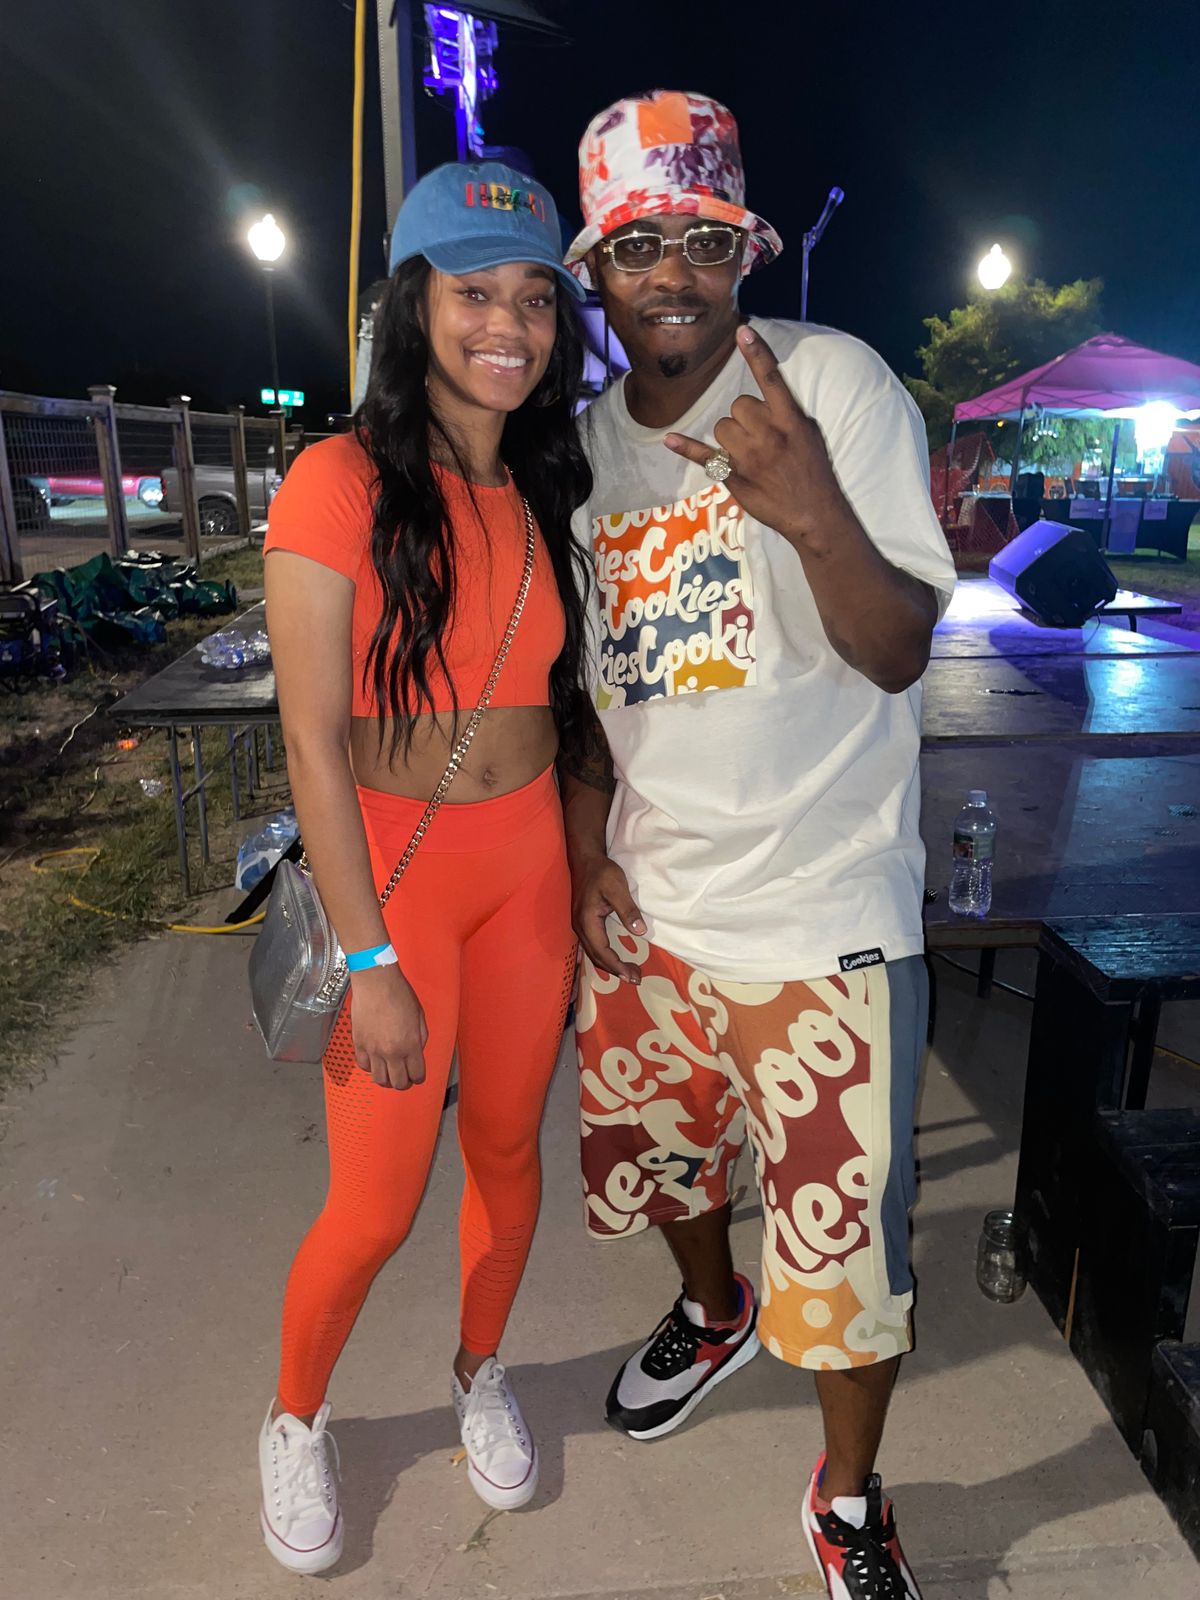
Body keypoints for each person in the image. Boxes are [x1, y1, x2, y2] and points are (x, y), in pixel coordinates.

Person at [558, 92, 956, 1600]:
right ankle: (713, 1311)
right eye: (638, 244)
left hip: (821, 915)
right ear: (599, 272)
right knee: (665, 1167)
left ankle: (847, 1497)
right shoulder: (584, 455)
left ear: (744, 253)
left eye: (703, 241)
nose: (672, 272)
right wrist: (591, 852)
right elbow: (588, 697)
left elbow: (901, 651)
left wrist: (810, 513)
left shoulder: (833, 385)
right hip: (651, 910)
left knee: (851, 1273)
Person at [258, 160, 591, 1574]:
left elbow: (570, 710)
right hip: (396, 883)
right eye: (474, 291)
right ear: (413, 305)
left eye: (534, 297)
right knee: (378, 1201)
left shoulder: (546, 482)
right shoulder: (335, 482)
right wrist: (371, 958)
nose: (507, 322)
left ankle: (478, 1369)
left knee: (509, 1152)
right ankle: (294, 1417)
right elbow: (313, 744)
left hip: (528, 879)